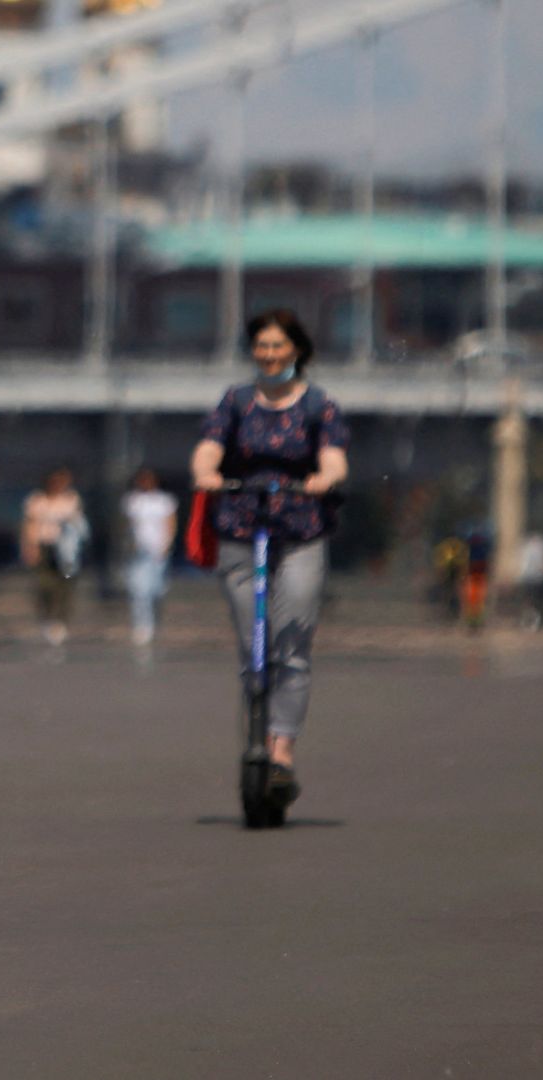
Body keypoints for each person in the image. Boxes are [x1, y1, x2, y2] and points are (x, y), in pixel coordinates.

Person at [190, 309, 349, 806]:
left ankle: (281, 751)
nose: (269, 354)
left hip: (300, 531)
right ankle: (255, 741)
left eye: (278, 346)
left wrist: (324, 478)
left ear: (296, 350)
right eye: (261, 346)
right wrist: (207, 473)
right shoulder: (235, 402)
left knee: (291, 646)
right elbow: (208, 448)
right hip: (241, 528)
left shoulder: (320, 405)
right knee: (252, 650)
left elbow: (335, 457)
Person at [21, 467, 89, 646]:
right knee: (45, 584)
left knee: (64, 584)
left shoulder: (71, 500)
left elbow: (79, 524)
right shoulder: (37, 500)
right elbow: (30, 524)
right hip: (45, 546)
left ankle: (60, 620)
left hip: (65, 549)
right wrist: (30, 547)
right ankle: (47, 616)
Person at [121, 468, 178, 646]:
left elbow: (170, 523)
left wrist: (166, 545)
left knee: (156, 589)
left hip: (158, 550)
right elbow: (126, 524)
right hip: (138, 551)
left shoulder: (164, 501)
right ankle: (142, 625)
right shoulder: (132, 500)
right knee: (139, 590)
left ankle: (155, 618)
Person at [514, 530, 543, 632]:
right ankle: (530, 620)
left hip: (539, 576)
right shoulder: (525, 543)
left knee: (537, 600)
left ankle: (535, 620)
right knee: (531, 600)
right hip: (529, 576)